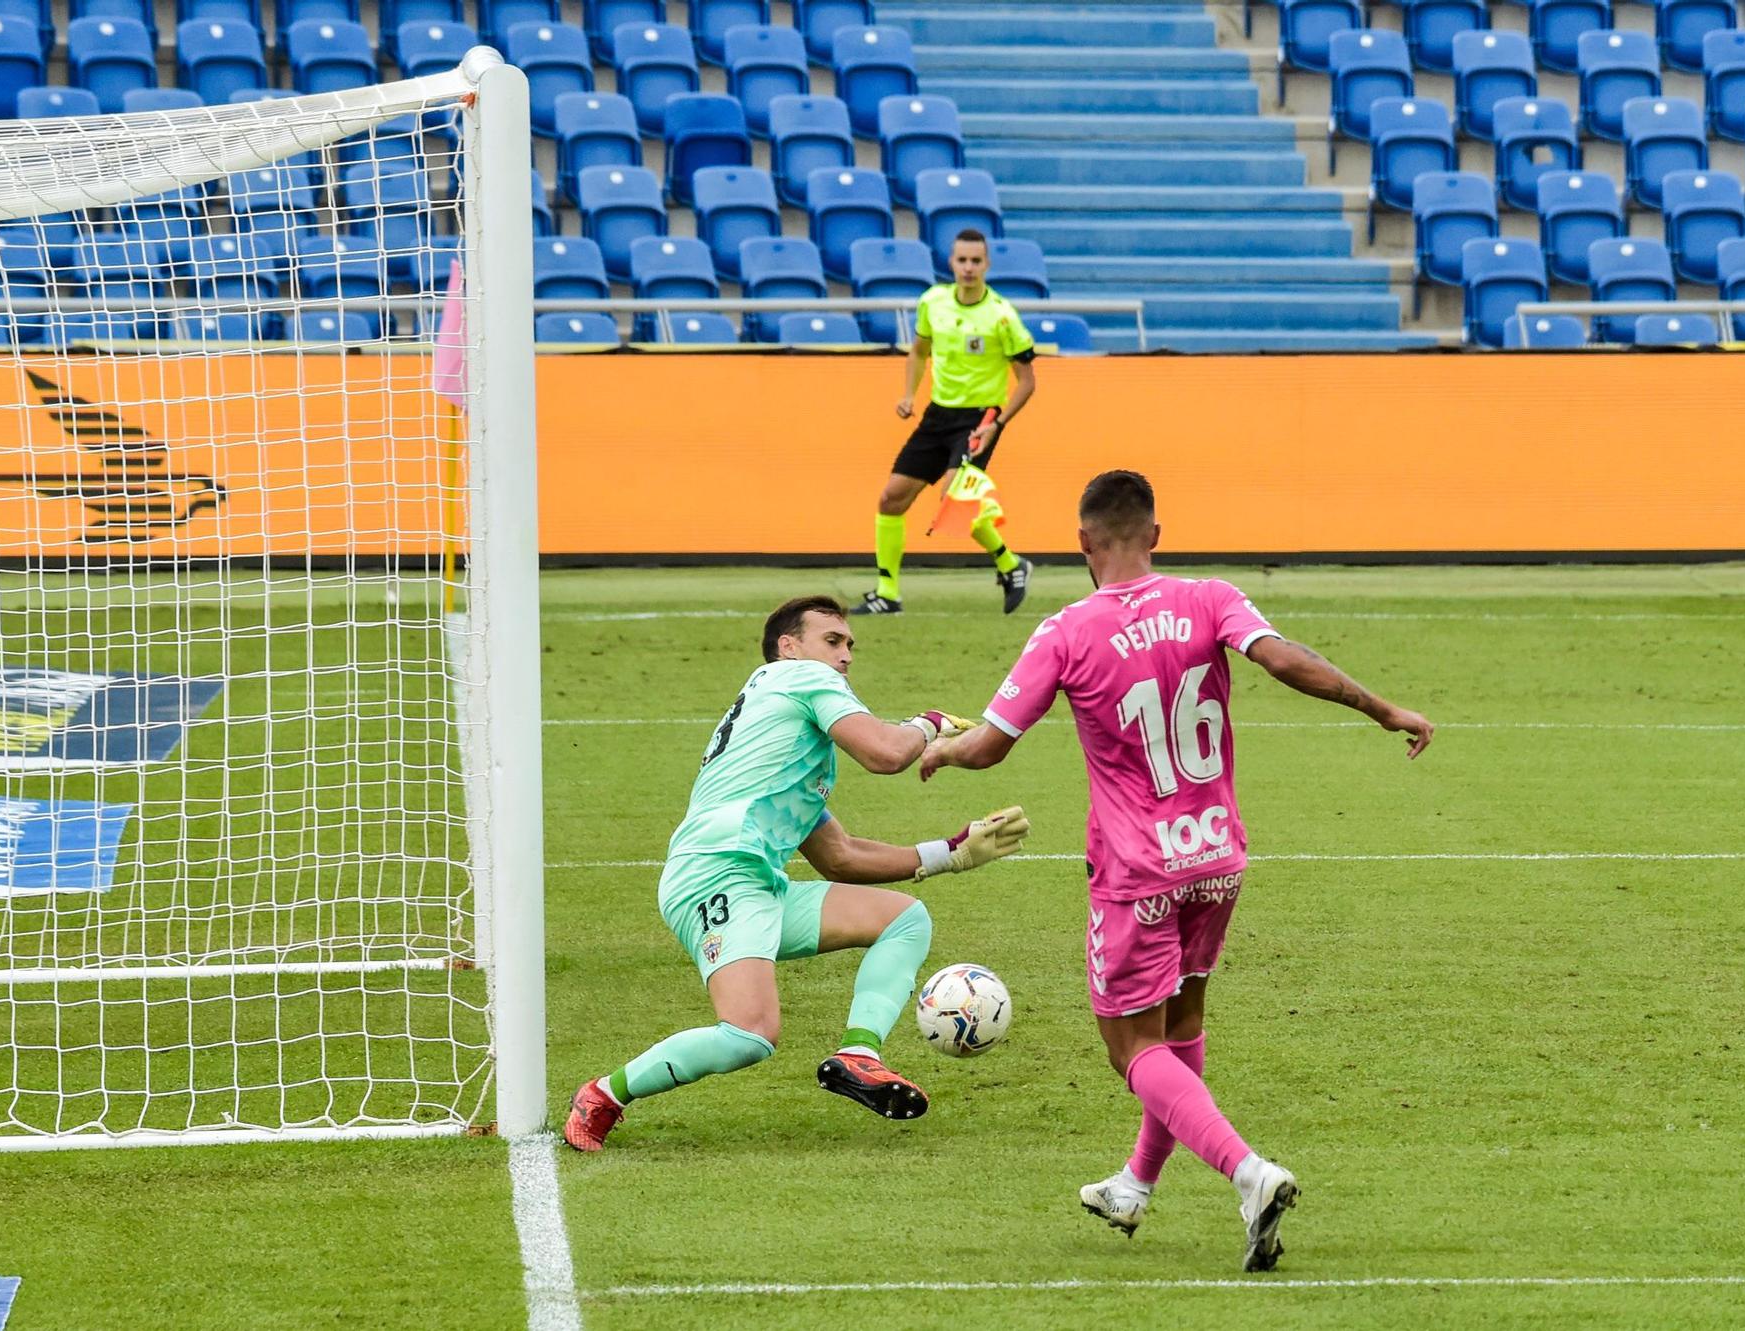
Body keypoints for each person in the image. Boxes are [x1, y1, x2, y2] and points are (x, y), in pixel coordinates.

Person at [919, 471, 1434, 1272]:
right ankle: (1134, 1183)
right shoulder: (1210, 597)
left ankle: (1248, 1171)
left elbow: (990, 744)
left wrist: (945, 747)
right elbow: (1286, 660)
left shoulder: (1064, 630)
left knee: (1131, 1049)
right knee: (1181, 1026)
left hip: (1136, 870)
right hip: (1217, 856)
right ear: (1155, 533)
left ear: (1082, 543)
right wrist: (1382, 707)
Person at [563, 595, 1032, 1152]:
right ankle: (602, 1095)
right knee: (749, 1035)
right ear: (790, 648)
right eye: (832, 641)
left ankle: (860, 1055)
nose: (846, 656)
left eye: (850, 645)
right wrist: (926, 725)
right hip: (715, 875)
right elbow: (885, 753)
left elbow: (840, 856)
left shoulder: (785, 735)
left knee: (905, 920)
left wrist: (949, 853)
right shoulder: (800, 679)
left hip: (754, 884)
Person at [853, 229, 1037, 618]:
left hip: (978, 420)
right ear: (951, 262)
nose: (968, 267)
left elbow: (1027, 382)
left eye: (976, 261)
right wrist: (908, 395)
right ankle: (888, 592)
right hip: (938, 415)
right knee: (891, 498)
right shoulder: (932, 302)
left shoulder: (1002, 315)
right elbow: (919, 352)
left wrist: (997, 424)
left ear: (986, 264)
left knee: (955, 501)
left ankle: (1010, 563)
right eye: (961, 260)